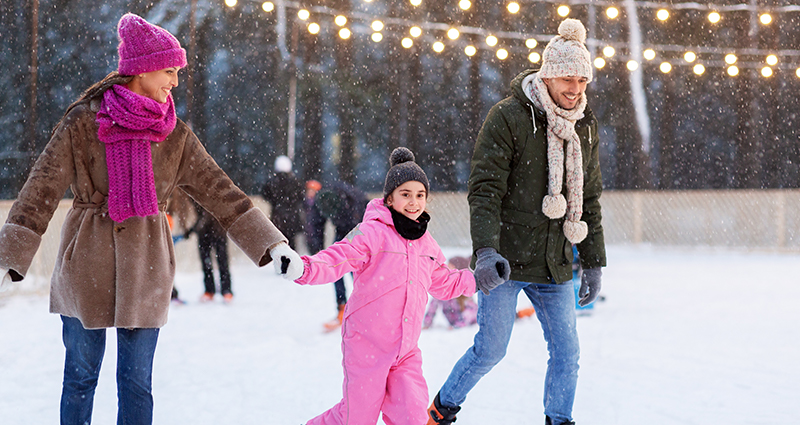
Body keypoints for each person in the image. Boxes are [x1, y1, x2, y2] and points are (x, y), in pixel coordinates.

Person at [0, 13, 302, 425]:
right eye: (168, 70)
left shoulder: (174, 133)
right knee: (80, 378)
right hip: (87, 262)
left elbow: (220, 190)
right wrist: (10, 254)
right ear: (140, 69)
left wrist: (272, 243)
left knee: (137, 383)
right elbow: (41, 189)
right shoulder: (83, 122)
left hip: (146, 266)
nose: (175, 82)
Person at [426, 19, 606, 425]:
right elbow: (485, 189)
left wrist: (593, 260)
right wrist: (486, 252)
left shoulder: (585, 125)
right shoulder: (509, 117)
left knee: (567, 351)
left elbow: (589, 197)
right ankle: (442, 408)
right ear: (547, 73)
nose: (575, 89)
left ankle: (559, 420)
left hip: (555, 262)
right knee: (491, 349)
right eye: (567, 78)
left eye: (582, 80)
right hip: (505, 262)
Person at [283, 147, 477, 425]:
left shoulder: (427, 244)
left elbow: (444, 282)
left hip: (406, 352)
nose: (414, 202)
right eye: (406, 194)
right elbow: (338, 257)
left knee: (413, 416)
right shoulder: (372, 233)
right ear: (390, 198)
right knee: (357, 419)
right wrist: (304, 268)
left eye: (420, 195)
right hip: (366, 346)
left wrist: (478, 278)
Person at [313, 180, 369, 331]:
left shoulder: (354, 201)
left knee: (355, 270)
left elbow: (368, 220)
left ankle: (364, 308)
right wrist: (317, 250)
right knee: (334, 267)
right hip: (342, 229)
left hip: (359, 230)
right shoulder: (322, 199)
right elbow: (316, 224)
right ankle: (342, 307)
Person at [185, 199, 233, 303]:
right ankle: (209, 290)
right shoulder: (195, 193)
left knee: (222, 261)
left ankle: (226, 291)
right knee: (206, 263)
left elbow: (206, 216)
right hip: (204, 234)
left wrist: (192, 230)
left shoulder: (212, 191)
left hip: (218, 231)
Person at [261, 155, 304, 250]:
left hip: (278, 218)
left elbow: (265, 194)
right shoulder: (295, 182)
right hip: (293, 218)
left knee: (279, 246)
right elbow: (301, 196)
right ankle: (293, 263)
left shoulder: (272, 183)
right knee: (292, 245)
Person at [422, 256, 478, 330]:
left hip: (466, 326)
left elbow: (470, 314)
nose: (446, 270)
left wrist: (457, 325)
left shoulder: (464, 294)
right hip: (453, 324)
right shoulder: (443, 289)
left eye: (450, 267)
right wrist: (427, 323)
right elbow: (433, 307)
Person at [303, 179, 326, 255]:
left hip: (316, 235)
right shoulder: (305, 204)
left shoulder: (319, 205)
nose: (310, 193)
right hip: (308, 233)